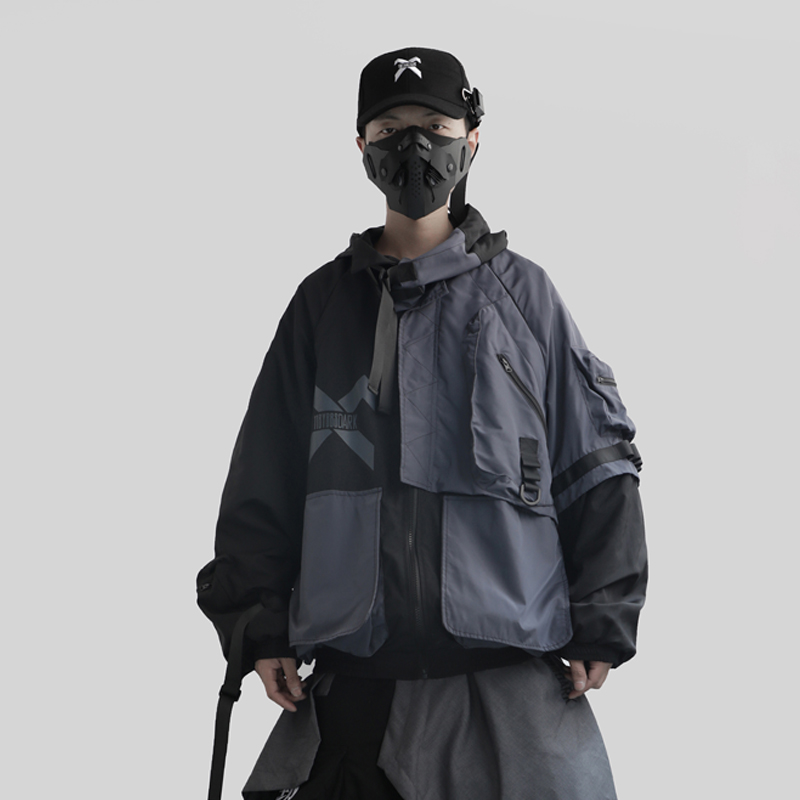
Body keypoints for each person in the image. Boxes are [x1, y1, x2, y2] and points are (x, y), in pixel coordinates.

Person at [197, 46, 647, 800]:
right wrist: (258, 624)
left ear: (472, 139)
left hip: (508, 686)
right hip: (355, 688)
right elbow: (265, 474)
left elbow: (595, 463)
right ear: (361, 145)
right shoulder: (322, 307)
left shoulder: (525, 299)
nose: (413, 146)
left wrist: (604, 614)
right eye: (389, 129)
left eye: (435, 126)